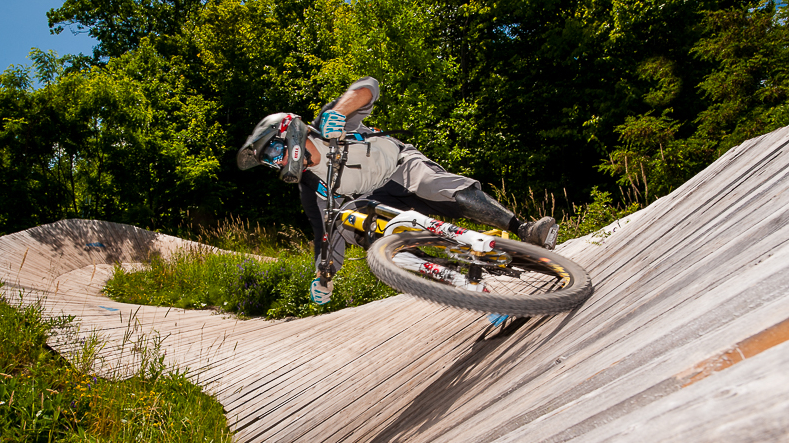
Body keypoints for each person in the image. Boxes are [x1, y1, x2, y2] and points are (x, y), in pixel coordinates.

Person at [237, 76, 559, 305]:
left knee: (446, 190)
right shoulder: (312, 191)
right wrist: (323, 280)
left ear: (289, 136)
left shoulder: (327, 123)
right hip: (375, 200)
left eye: (275, 155)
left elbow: (369, 88)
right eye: (271, 163)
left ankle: (524, 229)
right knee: (363, 227)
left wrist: (340, 111)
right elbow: (326, 242)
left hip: (400, 167)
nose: (278, 164)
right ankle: (460, 279)